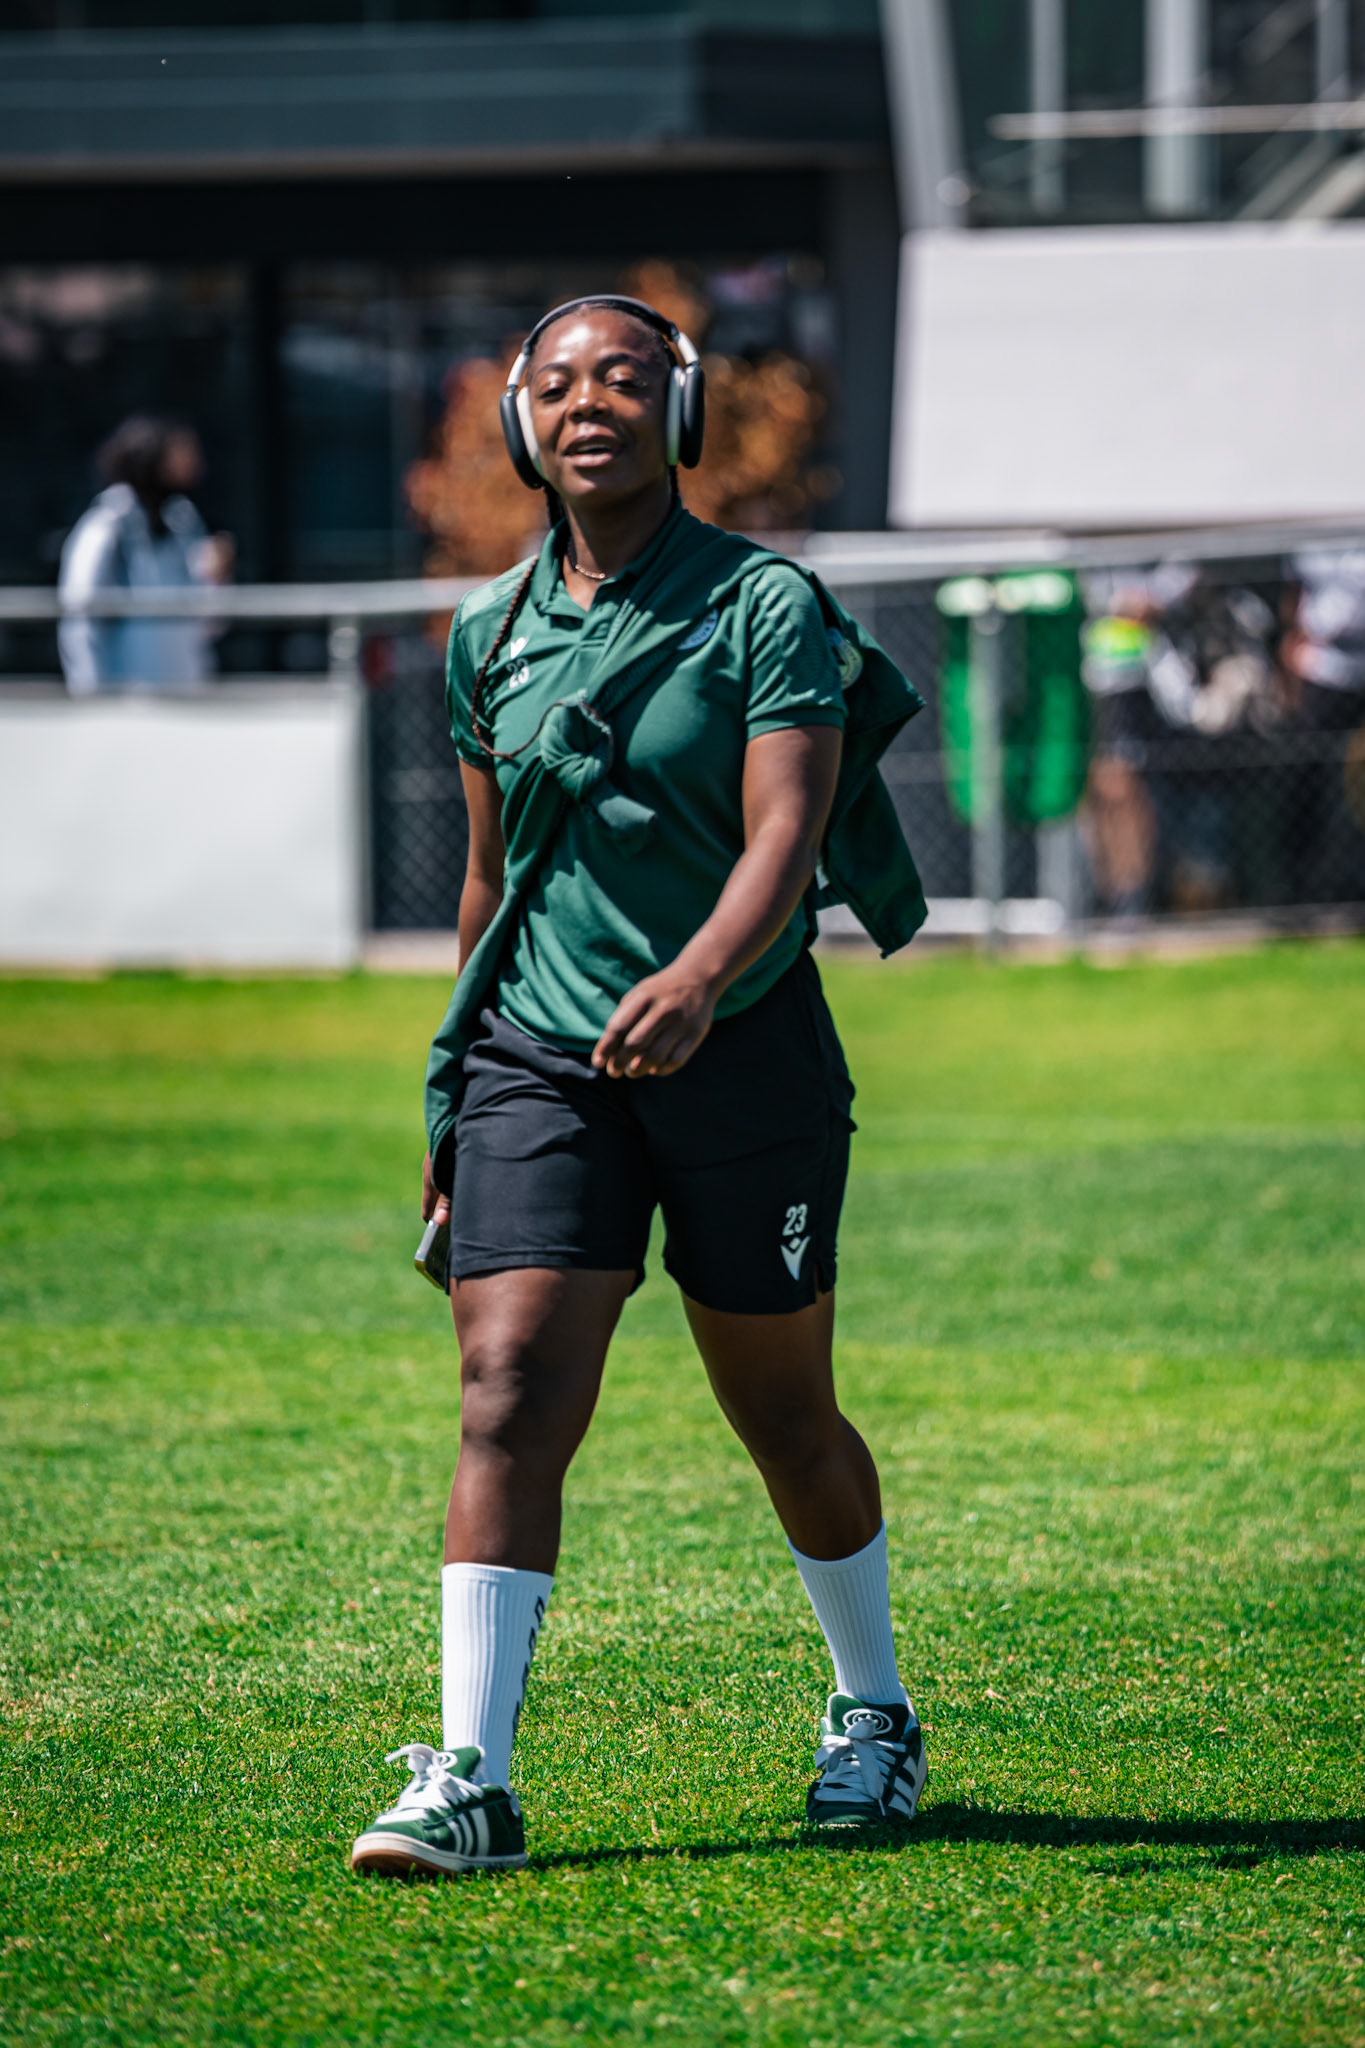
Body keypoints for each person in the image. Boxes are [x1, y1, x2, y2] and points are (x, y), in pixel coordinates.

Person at [350, 296, 929, 1879]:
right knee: (508, 1386)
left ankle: (872, 1716)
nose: (588, 399)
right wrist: (455, 1093)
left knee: (783, 1414)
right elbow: (486, 884)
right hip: (540, 1056)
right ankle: (470, 1774)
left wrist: (697, 981)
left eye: (622, 376)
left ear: (673, 411)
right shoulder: (486, 633)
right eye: (558, 382)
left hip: (741, 1054)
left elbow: (784, 833)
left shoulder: (765, 606)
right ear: (526, 427)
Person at [58, 416, 233, 695]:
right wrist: (90, 700)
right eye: (177, 456)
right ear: (152, 460)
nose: (192, 466)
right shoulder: (106, 528)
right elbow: (80, 622)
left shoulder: (183, 523)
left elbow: (207, 625)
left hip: (187, 698)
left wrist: (215, 579)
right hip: (126, 701)